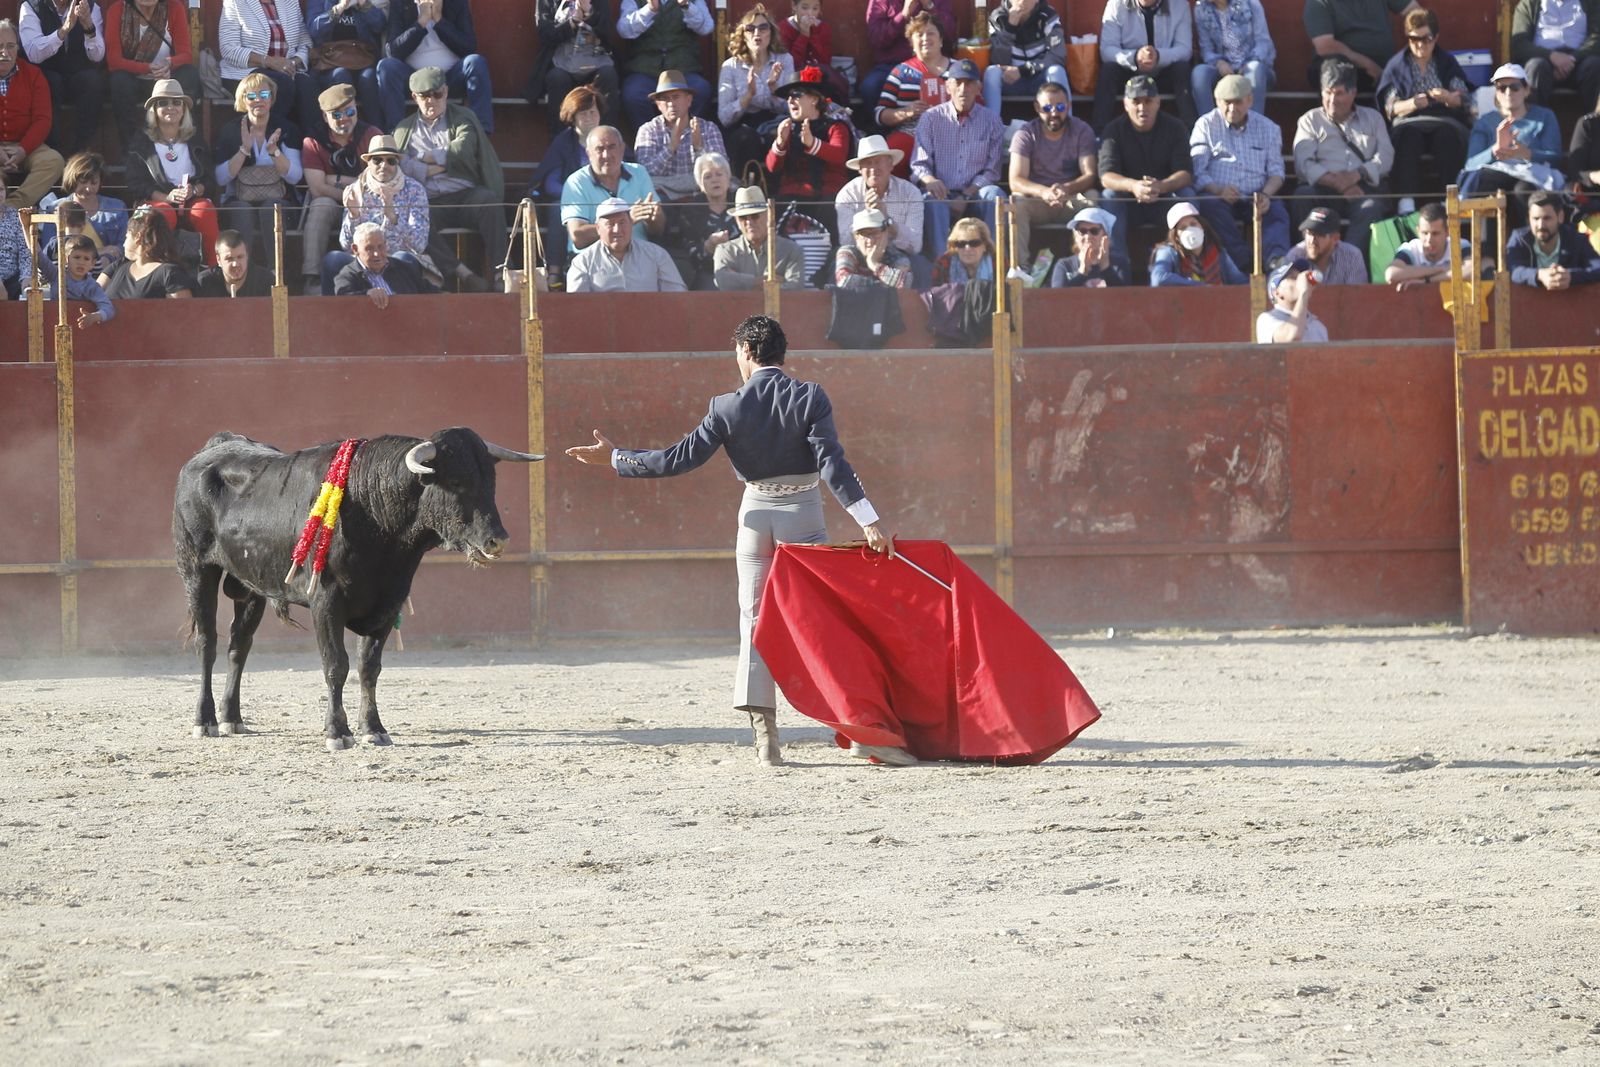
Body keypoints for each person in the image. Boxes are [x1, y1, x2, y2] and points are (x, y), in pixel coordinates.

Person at [563, 314, 898, 767]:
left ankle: (766, 741)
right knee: (819, 623)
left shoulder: (726, 406)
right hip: (803, 514)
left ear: (744, 352)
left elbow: (676, 460)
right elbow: (833, 465)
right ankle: (859, 731)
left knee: (755, 621)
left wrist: (617, 457)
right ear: (784, 354)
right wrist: (868, 521)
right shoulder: (809, 396)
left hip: (755, 515)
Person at [394, 65, 505, 292]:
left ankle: (501, 273)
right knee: (414, 222)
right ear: (414, 97)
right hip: (429, 201)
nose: (431, 101)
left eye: (437, 94)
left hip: (466, 195)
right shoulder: (404, 129)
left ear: (445, 92)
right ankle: (464, 274)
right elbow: (402, 166)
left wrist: (424, 158)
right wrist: (438, 165)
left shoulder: (464, 117)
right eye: (424, 96)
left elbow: (463, 149)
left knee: (490, 201)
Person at [1292, 58, 1394, 253]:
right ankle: (1307, 262)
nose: (1332, 100)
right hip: (1324, 187)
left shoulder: (1372, 118)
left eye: (1339, 93)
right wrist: (1338, 183)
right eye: (1328, 93)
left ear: (1353, 93)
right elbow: (1303, 163)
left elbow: (1386, 156)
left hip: (1363, 188)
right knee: (1302, 197)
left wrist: (1357, 175)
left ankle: (1348, 264)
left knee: (1372, 208)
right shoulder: (1309, 120)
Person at [1376, 7, 1473, 213]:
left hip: (1443, 119)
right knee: (1407, 137)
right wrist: (1411, 103)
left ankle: (1451, 200)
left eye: (1426, 38)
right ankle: (1406, 202)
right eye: (1413, 39)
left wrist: (1448, 97)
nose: (1420, 44)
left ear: (1436, 37)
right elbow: (1390, 106)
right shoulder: (1397, 65)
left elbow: (1463, 97)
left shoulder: (1446, 62)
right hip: (1410, 120)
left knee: (1447, 137)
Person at [1189, 73, 1290, 269]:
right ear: (1217, 101)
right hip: (1219, 194)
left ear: (1250, 100)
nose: (1232, 108)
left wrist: (1265, 195)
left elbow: (1277, 172)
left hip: (1257, 194)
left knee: (1277, 211)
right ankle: (1244, 263)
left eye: (1238, 102)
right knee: (1209, 206)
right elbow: (1197, 170)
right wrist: (1218, 190)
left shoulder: (1269, 128)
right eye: (1226, 102)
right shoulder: (1205, 125)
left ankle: (1275, 262)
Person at [911, 59, 1004, 258]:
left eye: (969, 83)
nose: (964, 89)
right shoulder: (931, 118)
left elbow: (993, 170)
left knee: (995, 194)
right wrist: (930, 180)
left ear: (978, 88)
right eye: (958, 82)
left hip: (975, 193)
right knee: (932, 200)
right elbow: (919, 163)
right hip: (942, 192)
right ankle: (942, 267)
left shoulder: (992, 121)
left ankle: (995, 264)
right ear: (948, 86)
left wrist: (968, 195)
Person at [1098, 74, 1195, 262]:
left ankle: (1187, 262)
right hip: (1129, 201)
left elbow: (1185, 173)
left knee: (1188, 194)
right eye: (1136, 101)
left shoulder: (1175, 127)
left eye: (1148, 101)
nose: (1142, 107)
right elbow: (1106, 176)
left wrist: (1161, 186)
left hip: (1164, 198)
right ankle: (1118, 267)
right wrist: (1134, 186)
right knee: (1109, 196)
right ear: (1126, 104)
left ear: (1158, 102)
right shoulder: (1113, 130)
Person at [124, 78, 218, 265]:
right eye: (163, 103)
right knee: (162, 214)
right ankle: (159, 270)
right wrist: (166, 197)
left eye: (177, 102)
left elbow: (210, 179)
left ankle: (214, 269)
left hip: (190, 200)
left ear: (184, 109)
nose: (171, 107)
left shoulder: (195, 139)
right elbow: (135, 184)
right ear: (154, 110)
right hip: (158, 200)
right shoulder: (141, 142)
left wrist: (194, 190)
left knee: (204, 210)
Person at [1459, 63, 1565, 230]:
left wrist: (1527, 153)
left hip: (1533, 177)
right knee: (1485, 185)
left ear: (1526, 90)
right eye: (1502, 88)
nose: (1508, 92)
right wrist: (1496, 150)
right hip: (1495, 177)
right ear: (1496, 92)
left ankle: (1524, 247)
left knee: (1522, 190)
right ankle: (1488, 252)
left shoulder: (1545, 116)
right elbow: (1471, 164)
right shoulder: (1485, 122)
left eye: (1515, 87)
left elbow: (1556, 157)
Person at [212, 71, 303, 260]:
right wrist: (244, 150)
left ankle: (276, 272)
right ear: (243, 100)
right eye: (251, 96)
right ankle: (243, 271)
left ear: (272, 98)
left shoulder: (285, 129)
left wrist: (274, 152)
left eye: (264, 95)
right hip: (238, 197)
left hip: (278, 197)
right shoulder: (231, 130)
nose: (258, 101)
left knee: (272, 207)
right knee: (241, 210)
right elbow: (220, 178)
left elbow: (295, 176)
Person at [1009, 80, 1098, 271]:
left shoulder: (1082, 130)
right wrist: (1044, 192)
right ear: (1037, 108)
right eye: (1047, 107)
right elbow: (1015, 180)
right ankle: (1020, 269)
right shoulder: (1025, 134)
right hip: (1038, 202)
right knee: (1016, 203)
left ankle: (1087, 264)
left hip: (1069, 199)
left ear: (1069, 106)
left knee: (1093, 197)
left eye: (1060, 106)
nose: (1054, 113)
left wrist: (1066, 189)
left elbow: (1090, 175)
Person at [300, 83, 380, 294]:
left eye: (350, 111)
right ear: (325, 117)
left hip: (368, 205)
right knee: (321, 205)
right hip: (334, 204)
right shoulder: (313, 141)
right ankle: (313, 279)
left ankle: (378, 276)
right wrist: (352, 191)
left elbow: (381, 180)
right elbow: (317, 188)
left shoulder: (372, 135)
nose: (344, 118)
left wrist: (336, 178)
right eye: (336, 115)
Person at [326, 133, 432, 292]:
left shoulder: (415, 190)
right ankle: (331, 314)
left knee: (405, 258)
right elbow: (346, 245)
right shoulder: (355, 190)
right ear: (368, 163)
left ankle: (405, 313)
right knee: (333, 259)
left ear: (397, 163)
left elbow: (419, 245)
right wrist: (353, 216)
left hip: (397, 258)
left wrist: (392, 218)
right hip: (363, 260)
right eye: (377, 160)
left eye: (390, 160)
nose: (384, 165)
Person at [377, 0, 493, 133]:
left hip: (449, 79)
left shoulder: (457, 2)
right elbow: (393, 51)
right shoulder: (402, 3)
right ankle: (396, 134)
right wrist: (421, 23)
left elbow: (468, 47)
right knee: (387, 67)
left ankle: (481, 134)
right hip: (413, 80)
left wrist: (439, 20)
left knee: (476, 62)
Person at [764, 64, 851, 227]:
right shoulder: (787, 128)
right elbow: (771, 168)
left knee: (830, 208)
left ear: (814, 99)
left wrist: (812, 143)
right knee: (778, 209)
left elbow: (839, 155)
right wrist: (780, 143)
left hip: (828, 197)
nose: (790, 101)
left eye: (796, 94)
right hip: (792, 197)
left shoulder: (836, 127)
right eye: (788, 97)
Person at [217, 0, 320, 137]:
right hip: (246, 71)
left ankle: (311, 146)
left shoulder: (290, 2)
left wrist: (294, 62)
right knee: (281, 84)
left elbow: (305, 42)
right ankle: (272, 143)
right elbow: (228, 49)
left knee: (308, 85)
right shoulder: (236, 2)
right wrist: (269, 61)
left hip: (287, 69)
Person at [104, 0, 200, 147]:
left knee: (190, 74)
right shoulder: (117, 10)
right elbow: (114, 61)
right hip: (134, 79)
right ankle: (130, 148)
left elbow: (185, 54)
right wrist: (148, 68)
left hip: (165, 79)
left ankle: (183, 141)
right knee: (118, 80)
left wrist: (169, 63)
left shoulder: (174, 8)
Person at [834, 134, 926, 285]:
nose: (873, 168)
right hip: (860, 253)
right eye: (867, 163)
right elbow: (845, 240)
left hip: (897, 253)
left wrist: (887, 219)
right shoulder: (847, 194)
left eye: (878, 162)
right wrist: (866, 221)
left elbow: (915, 245)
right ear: (859, 170)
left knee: (920, 264)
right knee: (838, 260)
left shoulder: (910, 192)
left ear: (891, 165)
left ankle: (920, 307)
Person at [18, 0, 105, 156]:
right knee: (50, 81)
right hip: (47, 74)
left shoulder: (90, 7)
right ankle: (51, 152)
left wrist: (88, 27)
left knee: (92, 80)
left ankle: (81, 152)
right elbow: (34, 53)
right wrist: (65, 29)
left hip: (76, 74)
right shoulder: (31, 7)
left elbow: (97, 56)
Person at [1093, 0, 1195, 132]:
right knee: (1109, 70)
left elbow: (1185, 49)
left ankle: (1191, 134)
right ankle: (1099, 134)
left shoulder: (1179, 5)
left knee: (1182, 69)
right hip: (1129, 73)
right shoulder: (1116, 4)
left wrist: (1158, 56)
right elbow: (1107, 50)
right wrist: (1135, 57)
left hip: (1163, 72)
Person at [560, 123, 662, 253]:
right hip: (593, 262)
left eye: (611, 147)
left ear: (622, 149)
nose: (606, 155)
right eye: (599, 149)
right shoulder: (576, 182)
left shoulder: (639, 173)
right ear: (588, 153)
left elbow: (658, 230)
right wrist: (627, 220)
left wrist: (654, 217)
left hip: (639, 257)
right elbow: (578, 236)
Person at [717, 6, 793, 175]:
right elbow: (724, 118)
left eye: (763, 27)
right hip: (743, 122)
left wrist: (774, 89)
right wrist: (748, 95)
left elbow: (792, 110)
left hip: (774, 119)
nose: (756, 33)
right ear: (743, 35)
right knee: (745, 138)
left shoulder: (785, 61)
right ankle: (746, 190)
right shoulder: (731, 66)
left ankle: (779, 191)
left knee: (782, 135)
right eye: (750, 29)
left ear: (771, 33)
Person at [616, 0, 714, 128]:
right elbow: (624, 30)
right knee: (633, 95)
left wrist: (686, 6)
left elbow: (706, 27)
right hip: (645, 69)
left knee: (701, 90)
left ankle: (687, 138)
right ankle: (650, 140)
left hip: (683, 69)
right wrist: (650, 10)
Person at [0, 20, 66, 210]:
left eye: (10, 46)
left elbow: (42, 120)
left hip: (27, 146)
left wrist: (22, 150)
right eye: (0, 47)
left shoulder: (33, 74)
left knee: (54, 161)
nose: (5, 53)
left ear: (18, 48)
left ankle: (13, 207)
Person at [874, 11, 949, 172]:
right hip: (911, 133)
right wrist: (906, 112)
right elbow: (880, 114)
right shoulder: (900, 72)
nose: (925, 38)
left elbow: (976, 106)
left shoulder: (957, 71)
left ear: (941, 39)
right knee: (890, 157)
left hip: (952, 133)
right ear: (911, 42)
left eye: (931, 33)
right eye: (919, 34)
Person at [637, 68, 728, 202]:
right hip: (665, 194)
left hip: (701, 192)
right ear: (658, 105)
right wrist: (671, 148)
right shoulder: (648, 130)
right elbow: (646, 173)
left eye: (676, 97)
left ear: (689, 100)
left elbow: (722, 169)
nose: (671, 103)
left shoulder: (708, 128)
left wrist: (699, 149)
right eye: (665, 99)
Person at [530, 0, 618, 132]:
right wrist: (571, 23)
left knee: (608, 74)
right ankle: (560, 140)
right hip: (561, 61)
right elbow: (545, 35)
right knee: (557, 78)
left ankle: (606, 135)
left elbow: (608, 36)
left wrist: (589, 13)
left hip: (595, 61)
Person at [566, 195, 685, 291]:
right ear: (598, 229)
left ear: (631, 224)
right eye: (610, 224)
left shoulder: (656, 255)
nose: (617, 230)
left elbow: (677, 296)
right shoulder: (582, 263)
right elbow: (577, 307)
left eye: (622, 222)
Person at [39, 152, 130, 272]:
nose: (88, 188)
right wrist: (99, 252)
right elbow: (50, 250)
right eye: (83, 182)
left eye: (94, 183)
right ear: (72, 179)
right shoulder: (55, 208)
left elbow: (123, 246)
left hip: (107, 272)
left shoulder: (117, 207)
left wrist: (107, 259)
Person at [862, 0, 955, 116]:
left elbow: (949, 34)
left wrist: (929, 5)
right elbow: (876, 39)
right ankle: (881, 132)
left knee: (960, 80)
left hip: (933, 63)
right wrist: (903, 15)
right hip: (891, 65)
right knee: (871, 86)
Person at [661, 150, 737, 289]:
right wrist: (708, 247)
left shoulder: (741, 203)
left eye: (719, 174)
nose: (715, 179)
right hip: (707, 272)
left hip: (743, 268)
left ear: (728, 178)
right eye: (708, 176)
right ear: (700, 184)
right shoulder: (690, 211)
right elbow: (689, 254)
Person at [1306, 0, 1420, 91]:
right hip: (1350, 69)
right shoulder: (1318, 2)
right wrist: (1369, 66)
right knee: (1336, 70)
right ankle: (1337, 118)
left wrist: (1419, 38)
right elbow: (1326, 46)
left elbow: (1417, 13)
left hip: (1387, 65)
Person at [1511, 0, 1600, 113]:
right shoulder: (1529, 4)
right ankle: (1533, 124)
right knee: (1536, 67)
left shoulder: (1592, 3)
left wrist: (1572, 59)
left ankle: (1594, 123)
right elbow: (1519, 44)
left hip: (1579, 61)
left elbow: (1597, 37)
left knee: (1594, 65)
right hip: (1544, 61)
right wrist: (1551, 56)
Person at [304, 0, 385, 124]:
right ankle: (347, 127)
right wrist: (339, 8)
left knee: (369, 77)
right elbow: (315, 29)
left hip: (361, 59)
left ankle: (377, 131)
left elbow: (379, 25)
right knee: (341, 74)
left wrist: (364, 5)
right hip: (330, 64)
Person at [982, 0, 1067, 118]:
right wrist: (1010, 28)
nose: (1022, 1)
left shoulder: (1047, 15)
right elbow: (997, 60)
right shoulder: (998, 17)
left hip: (1039, 78)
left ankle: (1066, 129)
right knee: (991, 73)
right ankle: (990, 130)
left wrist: (1023, 70)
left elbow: (1057, 55)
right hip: (1011, 80)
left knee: (1057, 71)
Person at [714, 185, 807, 290]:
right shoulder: (725, 250)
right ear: (736, 221)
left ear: (768, 215)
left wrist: (742, 283)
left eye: (755, 216)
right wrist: (767, 281)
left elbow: (794, 288)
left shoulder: (791, 250)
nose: (749, 222)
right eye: (743, 217)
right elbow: (722, 281)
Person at [1191, 0, 1274, 116]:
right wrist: (1219, 63)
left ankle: (1252, 128)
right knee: (1199, 73)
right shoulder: (1201, 8)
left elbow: (1263, 42)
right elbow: (1206, 49)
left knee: (1254, 69)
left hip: (1253, 66)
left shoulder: (1251, 4)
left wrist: (1248, 64)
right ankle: (1211, 127)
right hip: (1221, 69)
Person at [1507, 190, 1600, 289]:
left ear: (1560, 217)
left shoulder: (1576, 239)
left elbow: (1597, 268)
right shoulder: (1519, 238)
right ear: (1529, 218)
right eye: (1536, 218)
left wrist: (1570, 276)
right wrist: (1539, 275)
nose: (1540, 225)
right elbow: (1512, 269)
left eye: (1547, 218)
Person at [98, 205, 195, 297]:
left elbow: (183, 311)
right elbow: (92, 293)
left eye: (126, 237)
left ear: (137, 237)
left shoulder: (169, 273)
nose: (123, 244)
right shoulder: (119, 265)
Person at [332, 219, 438, 301]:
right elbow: (343, 300)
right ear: (355, 249)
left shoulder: (405, 268)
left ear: (386, 245)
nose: (377, 253)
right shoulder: (347, 276)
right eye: (369, 248)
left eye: (380, 247)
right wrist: (366, 295)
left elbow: (432, 294)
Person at [1150, 199, 1246, 285]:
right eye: (1183, 228)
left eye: (1193, 224)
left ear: (1202, 227)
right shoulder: (1168, 252)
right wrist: (1198, 286)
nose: (1190, 230)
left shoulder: (1218, 252)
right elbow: (1158, 278)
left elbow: (1239, 281)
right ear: (1176, 237)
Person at [1384, 200, 1469, 290]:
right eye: (1424, 233)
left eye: (1435, 233)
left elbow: (1472, 271)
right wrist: (1440, 269)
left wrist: (1427, 280)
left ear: (1447, 232)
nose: (1429, 240)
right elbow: (1391, 274)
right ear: (1418, 231)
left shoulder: (1459, 245)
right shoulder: (1410, 249)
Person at [777, 0, 847, 104]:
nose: (810, 13)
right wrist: (804, 34)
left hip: (819, 76)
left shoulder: (823, 28)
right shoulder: (783, 28)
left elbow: (824, 60)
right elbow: (791, 63)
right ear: (794, 6)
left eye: (815, 8)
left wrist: (812, 32)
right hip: (794, 77)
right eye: (804, 8)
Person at [1050, 206, 1130, 286]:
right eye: (1082, 231)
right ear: (1075, 236)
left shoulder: (1120, 263)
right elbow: (1057, 296)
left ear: (1105, 235)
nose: (1088, 236)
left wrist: (1106, 267)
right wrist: (1082, 272)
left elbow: (1126, 296)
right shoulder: (1064, 265)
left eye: (1094, 231)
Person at [834, 205, 911, 288]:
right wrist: (883, 285)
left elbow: (904, 283)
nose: (870, 240)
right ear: (855, 237)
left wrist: (874, 264)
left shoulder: (897, 257)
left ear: (885, 233)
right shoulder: (847, 253)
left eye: (875, 233)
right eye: (864, 234)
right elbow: (843, 281)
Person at [1286, 206, 1367, 284]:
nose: (1312, 240)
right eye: (1309, 233)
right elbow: (1284, 293)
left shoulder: (1351, 256)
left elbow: (1355, 294)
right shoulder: (1295, 255)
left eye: (1319, 234)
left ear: (1335, 238)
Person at [1256, 257, 1328, 342]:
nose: (1301, 281)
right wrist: (1303, 293)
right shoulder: (1266, 320)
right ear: (1277, 293)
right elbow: (1292, 337)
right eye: (1293, 277)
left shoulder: (1318, 327)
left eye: (1300, 277)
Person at [47, 234, 114, 324]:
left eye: (86, 259)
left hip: (80, 330)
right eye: (77, 257)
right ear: (66, 259)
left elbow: (108, 308)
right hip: (53, 324)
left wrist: (94, 316)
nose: (81, 262)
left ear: (93, 263)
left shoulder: (92, 286)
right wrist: (26, 229)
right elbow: (38, 256)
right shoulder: (56, 275)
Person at [197, 228, 275, 296]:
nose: (235, 264)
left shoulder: (266, 281)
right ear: (219, 260)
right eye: (229, 258)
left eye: (240, 257)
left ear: (247, 256)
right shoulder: (204, 283)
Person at [930, 216, 994, 285]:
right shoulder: (942, 264)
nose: (967, 248)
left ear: (985, 245)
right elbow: (937, 293)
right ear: (955, 246)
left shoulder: (999, 263)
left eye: (974, 243)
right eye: (961, 243)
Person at [0, 174, 27, 297]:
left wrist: (26, 277)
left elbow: (25, 249)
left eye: (1, 189)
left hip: (13, 278)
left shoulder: (15, 216)